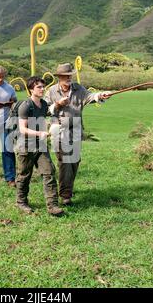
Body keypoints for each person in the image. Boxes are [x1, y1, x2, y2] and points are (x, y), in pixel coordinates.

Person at [45, 63, 112, 206]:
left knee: (74, 161)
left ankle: (67, 188)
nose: (68, 78)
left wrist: (101, 95)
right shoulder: (51, 91)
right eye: (65, 76)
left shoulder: (78, 89)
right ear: (60, 77)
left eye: (70, 76)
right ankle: (65, 195)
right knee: (64, 162)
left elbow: (90, 96)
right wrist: (57, 104)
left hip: (75, 128)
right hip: (58, 128)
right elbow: (45, 109)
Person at [15, 76, 64, 216]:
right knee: (24, 175)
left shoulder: (43, 105)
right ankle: (21, 202)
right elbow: (22, 129)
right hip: (25, 146)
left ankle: (52, 206)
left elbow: (49, 116)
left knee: (49, 172)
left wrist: (54, 125)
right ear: (31, 89)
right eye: (39, 87)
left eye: (43, 87)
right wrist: (39, 133)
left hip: (40, 145)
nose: (43, 89)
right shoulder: (26, 106)